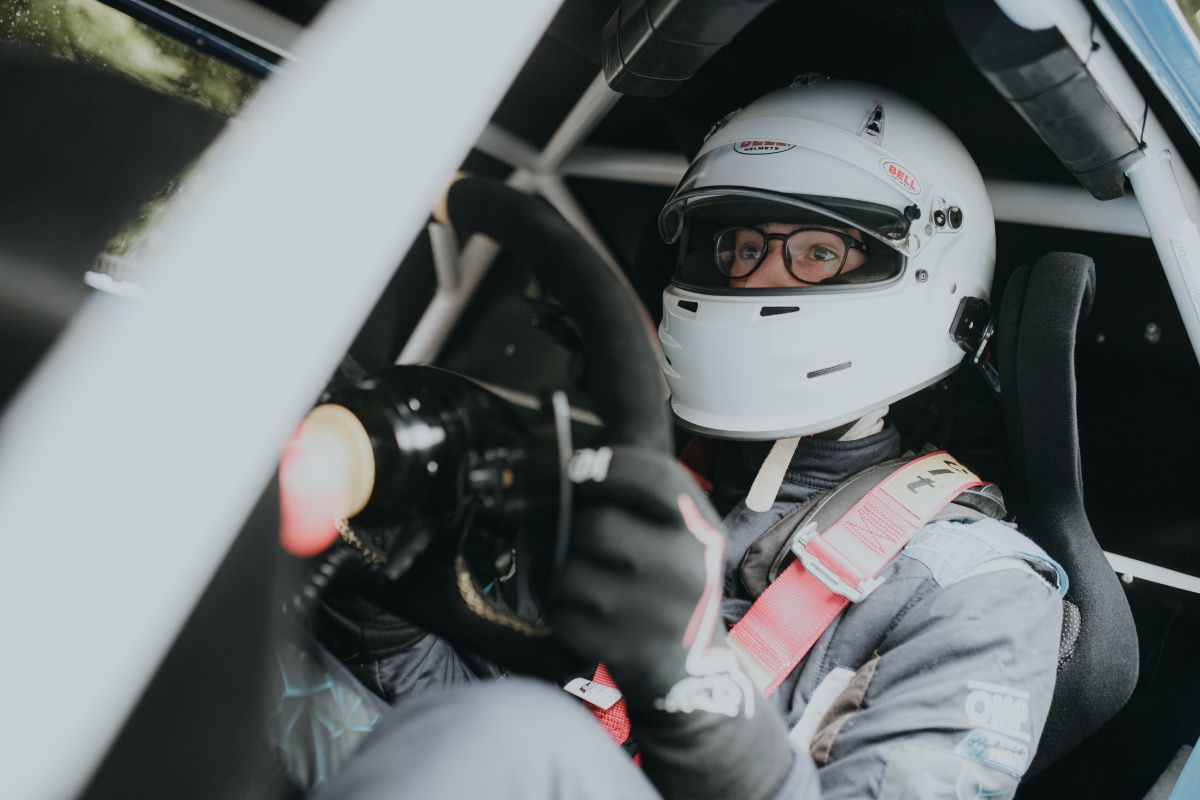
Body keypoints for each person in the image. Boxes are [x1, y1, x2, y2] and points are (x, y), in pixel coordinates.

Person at [305, 77, 1066, 800]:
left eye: (818, 252)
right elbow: (460, 733)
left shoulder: (981, 594)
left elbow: (516, 742)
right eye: (739, 246)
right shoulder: (625, 489)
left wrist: (695, 692)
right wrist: (381, 613)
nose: (755, 279)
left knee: (525, 731)